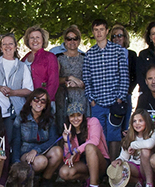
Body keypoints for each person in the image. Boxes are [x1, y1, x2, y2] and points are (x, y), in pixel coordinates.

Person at [82, 19, 130, 161]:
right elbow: (87, 79)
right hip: (97, 104)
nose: (99, 33)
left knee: (114, 135)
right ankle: (102, 168)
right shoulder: (89, 54)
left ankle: (113, 168)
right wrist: (92, 101)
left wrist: (120, 98)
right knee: (98, 135)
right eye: (96, 30)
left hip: (114, 101)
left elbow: (124, 76)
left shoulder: (117, 51)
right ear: (93, 32)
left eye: (102, 29)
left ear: (107, 31)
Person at [0, 33, 33, 154]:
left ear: (15, 46)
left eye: (10, 44)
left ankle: (6, 170)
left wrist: (13, 92)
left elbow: (29, 90)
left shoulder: (22, 66)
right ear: (0, 47)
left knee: (8, 143)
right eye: (4, 44)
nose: (7, 47)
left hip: (12, 112)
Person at [14, 89, 62, 187]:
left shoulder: (49, 119)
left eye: (43, 101)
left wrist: (36, 150)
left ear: (46, 105)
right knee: (41, 161)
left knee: (58, 151)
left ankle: (45, 181)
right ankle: (29, 181)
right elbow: (16, 141)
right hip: (25, 151)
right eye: (36, 99)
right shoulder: (21, 118)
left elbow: (53, 139)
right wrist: (16, 162)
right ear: (30, 102)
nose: (39, 103)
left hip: (42, 150)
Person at [58, 101, 110, 187]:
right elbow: (68, 158)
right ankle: (88, 179)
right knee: (64, 172)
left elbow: (94, 141)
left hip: (100, 161)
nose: (76, 119)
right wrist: (66, 141)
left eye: (79, 115)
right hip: (84, 164)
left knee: (89, 147)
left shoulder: (93, 122)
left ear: (83, 115)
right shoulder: (69, 130)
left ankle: (94, 186)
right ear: (68, 118)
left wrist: (76, 150)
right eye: (72, 116)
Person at [109, 109, 155, 187]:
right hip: (135, 168)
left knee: (145, 150)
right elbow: (124, 156)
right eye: (134, 121)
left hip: (148, 168)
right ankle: (137, 182)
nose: (137, 124)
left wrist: (133, 145)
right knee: (119, 167)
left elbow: (149, 144)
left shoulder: (154, 132)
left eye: (140, 121)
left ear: (147, 121)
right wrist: (119, 160)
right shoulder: (131, 136)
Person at [56, 25, 88, 126]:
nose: (72, 41)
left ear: (79, 40)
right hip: (63, 97)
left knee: (81, 126)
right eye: (69, 38)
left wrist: (80, 84)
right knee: (64, 125)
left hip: (81, 97)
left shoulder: (85, 58)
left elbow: (91, 81)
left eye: (75, 38)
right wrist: (68, 79)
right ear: (65, 40)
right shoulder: (58, 58)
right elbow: (55, 80)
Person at [20, 26, 59, 100]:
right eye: (32, 38)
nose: (35, 40)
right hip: (27, 100)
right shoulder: (24, 58)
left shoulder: (50, 57)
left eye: (38, 37)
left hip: (43, 100)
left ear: (43, 40)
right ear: (28, 41)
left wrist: (45, 100)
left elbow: (53, 82)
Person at [110, 25, 139, 104]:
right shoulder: (107, 54)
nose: (117, 39)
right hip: (110, 95)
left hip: (126, 94)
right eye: (114, 36)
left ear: (125, 37)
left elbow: (135, 75)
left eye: (119, 36)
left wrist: (128, 90)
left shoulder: (132, 54)